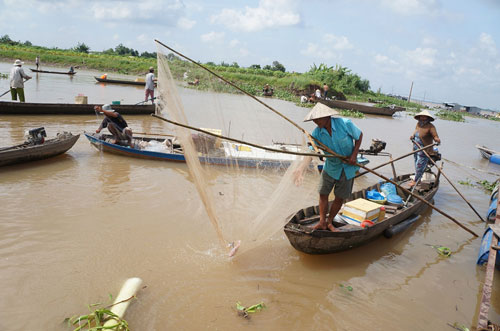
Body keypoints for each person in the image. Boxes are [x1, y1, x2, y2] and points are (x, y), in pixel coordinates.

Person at [296, 103, 363, 232]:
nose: (316, 122)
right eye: (314, 120)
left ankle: (330, 222)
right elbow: (312, 151)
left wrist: (354, 155)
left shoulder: (345, 123)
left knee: (340, 196)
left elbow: (359, 136)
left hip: (348, 166)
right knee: (323, 193)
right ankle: (322, 222)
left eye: (319, 119)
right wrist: (301, 169)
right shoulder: (317, 134)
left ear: (327, 117)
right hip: (331, 167)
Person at [409, 110, 441, 187]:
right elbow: (416, 130)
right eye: (421, 116)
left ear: (427, 118)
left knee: (420, 165)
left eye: (424, 116)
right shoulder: (418, 124)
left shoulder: (431, 127)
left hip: (424, 149)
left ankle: (416, 181)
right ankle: (418, 178)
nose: (422, 118)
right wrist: (412, 135)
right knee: (416, 163)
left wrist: (437, 139)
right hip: (416, 147)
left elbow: (435, 136)